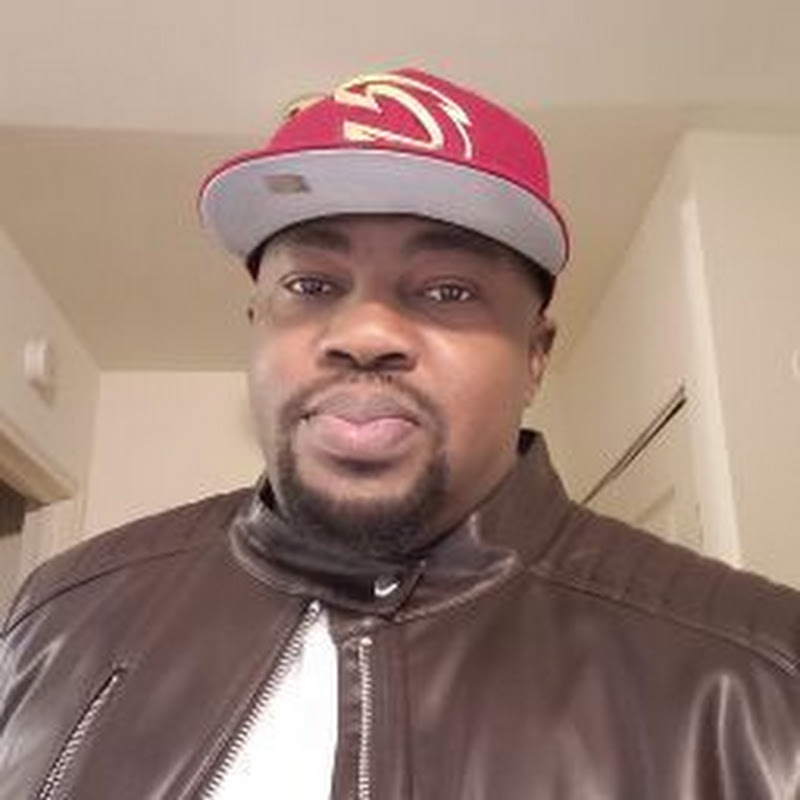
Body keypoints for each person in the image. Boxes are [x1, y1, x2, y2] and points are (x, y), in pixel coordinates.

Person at [1, 68, 799, 800]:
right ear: (255, 325)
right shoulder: (58, 617)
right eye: (311, 284)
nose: (365, 333)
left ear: (535, 356)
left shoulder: (765, 679)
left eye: (448, 291)